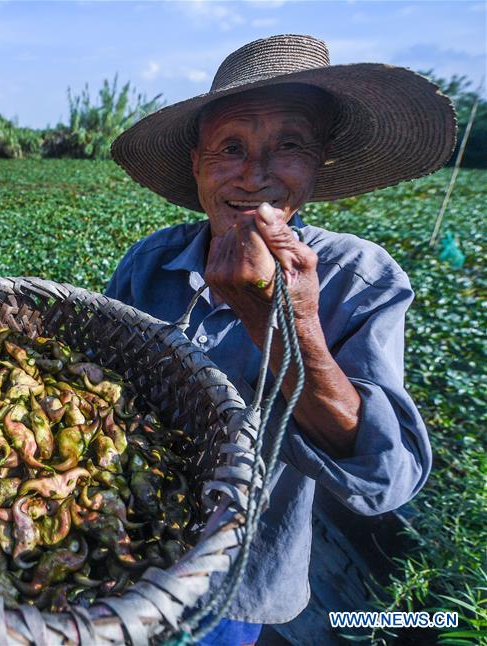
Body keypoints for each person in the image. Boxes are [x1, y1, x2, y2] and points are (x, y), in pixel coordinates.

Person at [107, 34, 455, 645]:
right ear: (197, 165)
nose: (255, 174)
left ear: (319, 163)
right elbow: (95, 390)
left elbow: (384, 477)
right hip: (117, 546)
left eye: (287, 146)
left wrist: (280, 325)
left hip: (233, 579)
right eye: (230, 149)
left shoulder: (359, 281)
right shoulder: (151, 263)